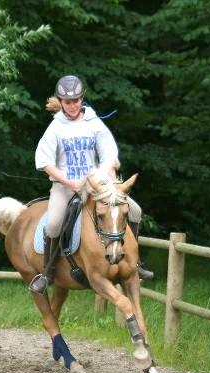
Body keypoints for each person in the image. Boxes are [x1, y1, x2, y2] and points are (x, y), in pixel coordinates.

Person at [29, 74, 154, 294]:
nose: (73, 105)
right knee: (54, 223)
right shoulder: (55, 128)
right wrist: (71, 182)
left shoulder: (94, 123)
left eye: (76, 100)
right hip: (66, 185)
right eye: (68, 102)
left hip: (98, 184)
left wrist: (103, 178)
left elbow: (109, 155)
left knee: (134, 210)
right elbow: (44, 162)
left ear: (82, 98)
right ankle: (47, 272)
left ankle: (135, 263)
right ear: (61, 102)